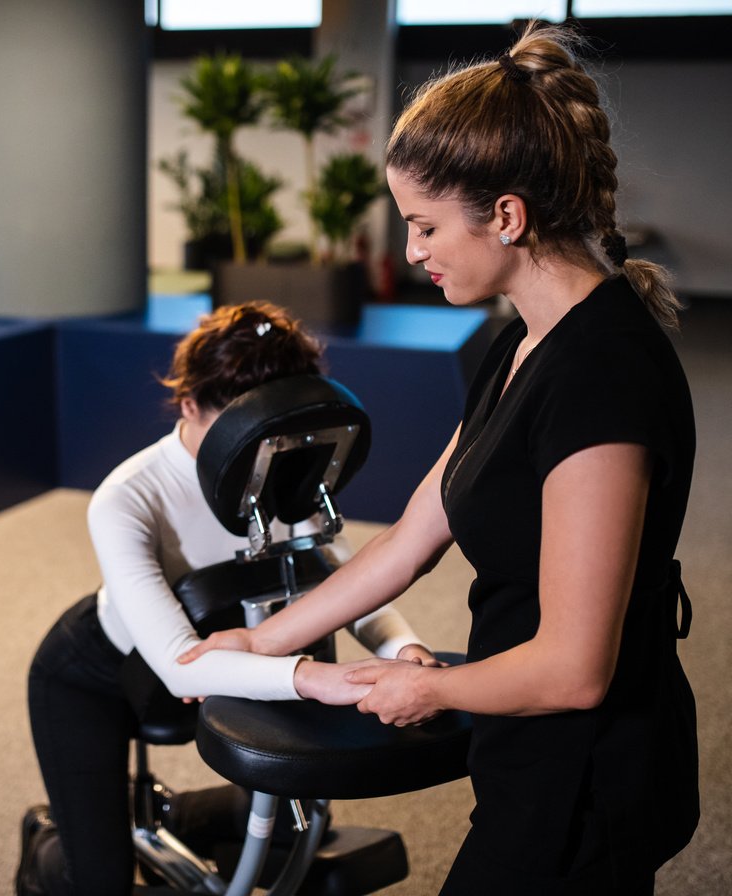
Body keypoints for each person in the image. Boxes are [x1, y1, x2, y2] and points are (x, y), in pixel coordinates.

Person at [180, 24, 699, 895]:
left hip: (590, 768)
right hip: (525, 744)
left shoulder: (599, 374)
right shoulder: (520, 345)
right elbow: (411, 539)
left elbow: (575, 670)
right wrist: (265, 645)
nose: (412, 250)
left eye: (424, 225)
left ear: (506, 215)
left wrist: (431, 690)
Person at [18, 301, 442, 896]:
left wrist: (404, 647)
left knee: (294, 833)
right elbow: (176, 664)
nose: (267, 438)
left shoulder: (284, 465)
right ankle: (46, 841)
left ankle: (160, 815)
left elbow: (346, 583)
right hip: (104, 680)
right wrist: (320, 679)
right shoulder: (129, 495)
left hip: (237, 665)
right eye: (245, 421)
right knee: (101, 882)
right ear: (189, 405)